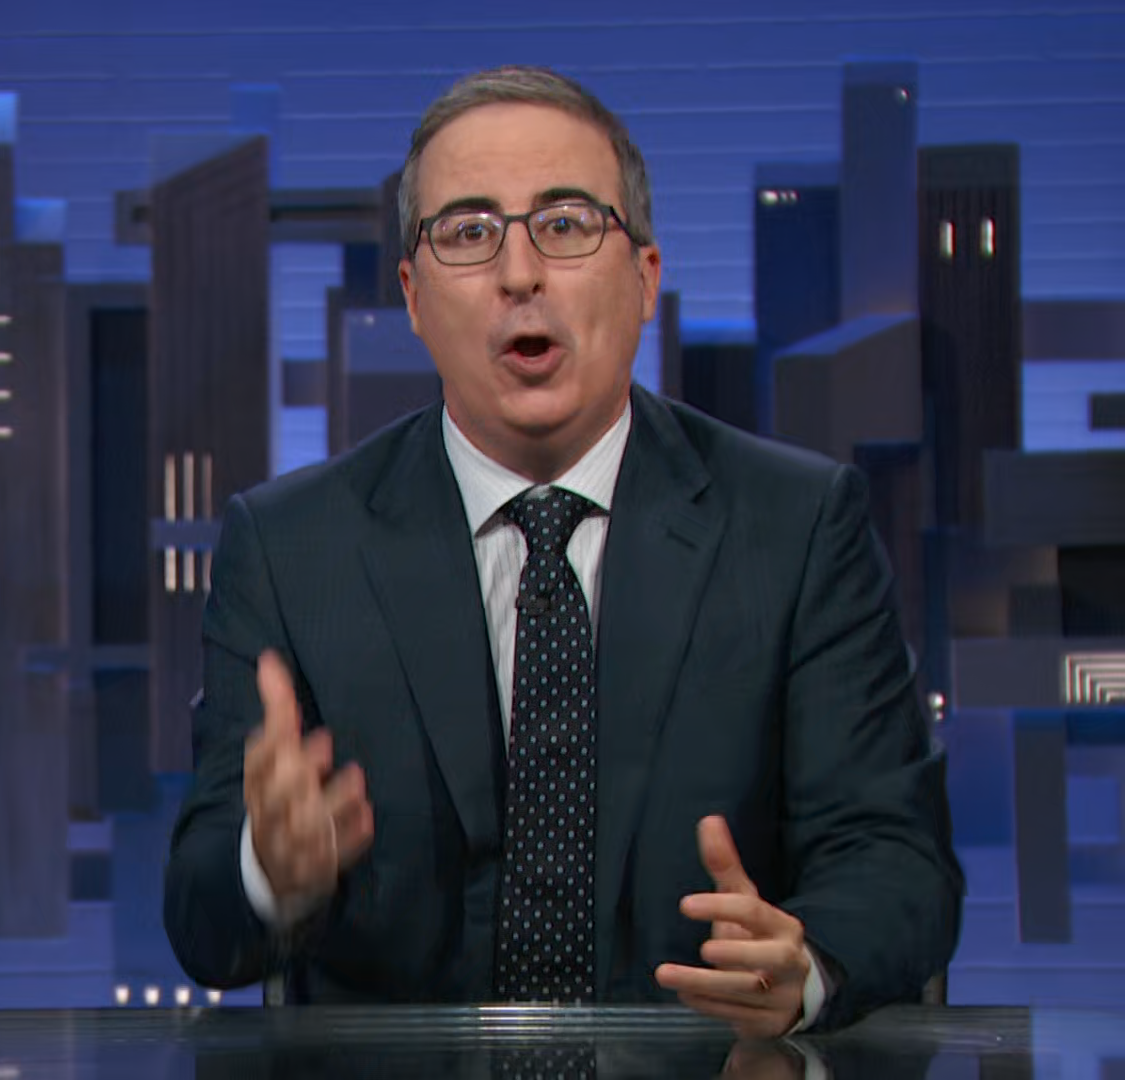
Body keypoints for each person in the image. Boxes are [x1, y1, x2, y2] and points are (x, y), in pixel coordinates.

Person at [162, 66, 961, 1038]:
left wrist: (806, 963)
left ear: (646, 278)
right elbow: (201, 916)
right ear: (412, 296)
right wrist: (268, 871)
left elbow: (898, 860)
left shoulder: (796, 528)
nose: (519, 274)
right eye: (469, 233)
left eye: (566, 224)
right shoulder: (292, 548)